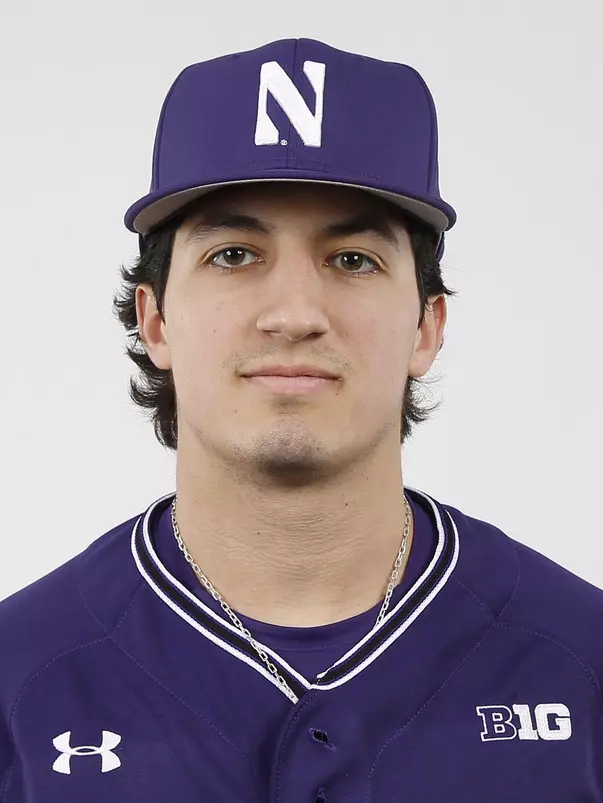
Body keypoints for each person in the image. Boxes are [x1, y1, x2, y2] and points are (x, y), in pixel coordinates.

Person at [0, 37, 602, 803]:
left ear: (426, 325)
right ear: (154, 322)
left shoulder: (581, 658)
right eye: (233, 254)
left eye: (352, 259)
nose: (292, 314)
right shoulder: (19, 679)